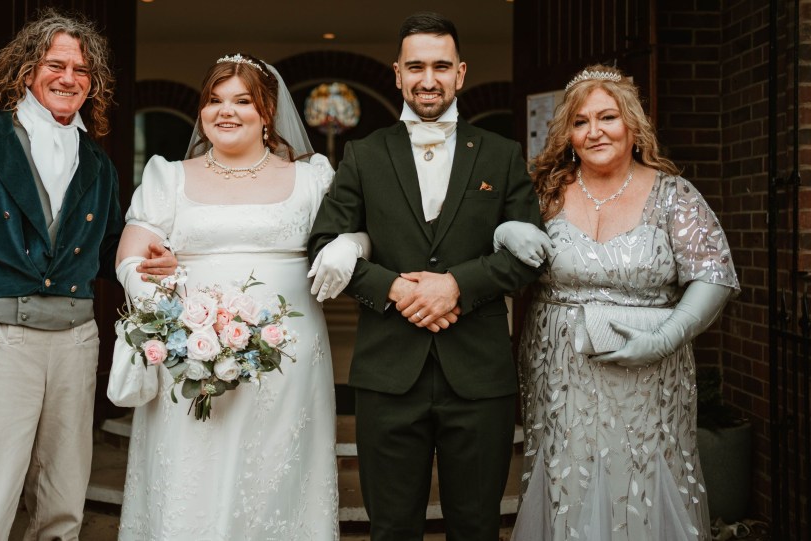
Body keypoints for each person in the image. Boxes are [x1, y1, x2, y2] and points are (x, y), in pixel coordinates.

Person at [0, 9, 174, 540]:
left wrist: (146, 261)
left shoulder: (96, 162)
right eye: (56, 65)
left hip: (75, 343)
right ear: (28, 71)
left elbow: (105, 248)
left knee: (64, 504)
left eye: (82, 70)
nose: (69, 78)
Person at [107, 53, 367, 539]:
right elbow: (128, 258)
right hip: (192, 354)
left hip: (289, 359)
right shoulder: (169, 176)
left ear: (267, 111)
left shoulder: (312, 178)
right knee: (193, 473)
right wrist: (174, 314)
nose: (226, 111)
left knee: (276, 476)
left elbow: (359, 233)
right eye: (214, 100)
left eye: (242, 101)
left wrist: (352, 245)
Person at [308, 12, 543, 539]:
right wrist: (393, 288)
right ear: (397, 74)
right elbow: (324, 244)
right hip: (387, 374)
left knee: (477, 525)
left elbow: (531, 253)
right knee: (390, 527)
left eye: (441, 66)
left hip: (479, 377)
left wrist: (457, 285)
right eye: (416, 66)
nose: (428, 78)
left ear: (461, 73)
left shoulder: (503, 156)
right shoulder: (363, 155)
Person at [496, 65, 739, 540]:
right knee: (568, 471)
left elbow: (714, 275)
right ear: (568, 133)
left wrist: (665, 337)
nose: (594, 131)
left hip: (652, 372)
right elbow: (497, 259)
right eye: (581, 121)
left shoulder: (673, 195)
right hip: (559, 370)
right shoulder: (545, 193)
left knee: (643, 471)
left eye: (607, 117)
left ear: (632, 125)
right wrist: (506, 229)